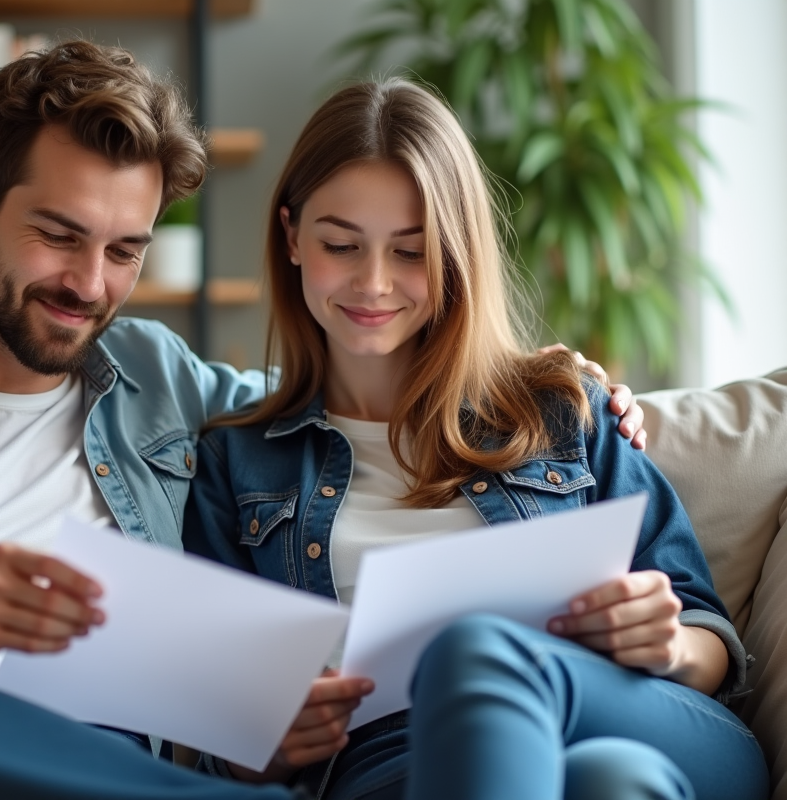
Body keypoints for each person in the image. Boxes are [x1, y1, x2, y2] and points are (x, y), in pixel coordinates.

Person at [0, 43, 645, 800]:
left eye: (126, 250)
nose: (87, 283)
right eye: (58, 235)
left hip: (96, 760)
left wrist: (536, 376)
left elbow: (355, 365)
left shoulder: (174, 387)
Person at [182, 78, 768, 800]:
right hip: (395, 766)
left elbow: (708, 633)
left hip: (633, 713)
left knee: (480, 654)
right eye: (341, 244)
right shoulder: (234, 464)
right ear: (292, 237)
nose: (373, 283)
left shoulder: (561, 410)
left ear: (457, 252)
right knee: (615, 782)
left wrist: (670, 643)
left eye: (411, 251)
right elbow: (216, 740)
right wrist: (264, 745)